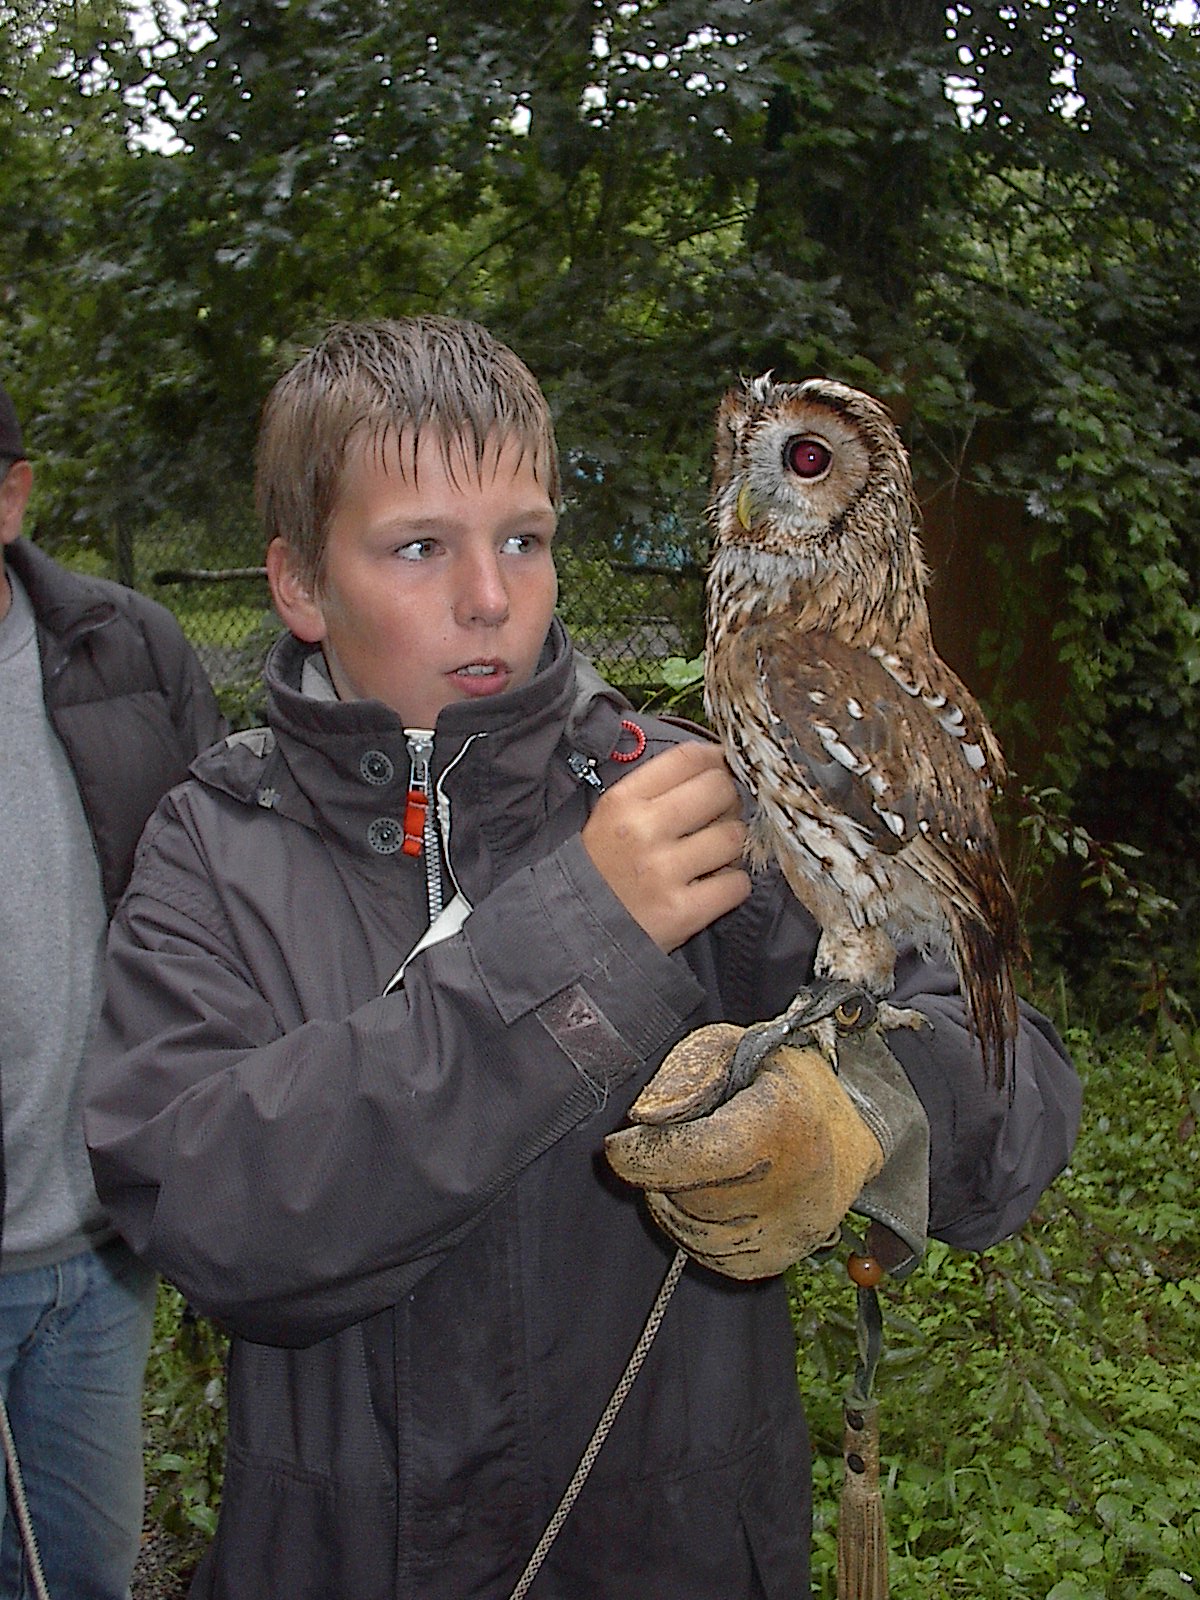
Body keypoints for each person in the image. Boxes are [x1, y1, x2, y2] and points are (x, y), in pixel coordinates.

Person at [84, 317, 1080, 1600]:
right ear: (300, 584)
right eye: (419, 547)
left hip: (665, 1551)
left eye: (524, 539)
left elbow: (1010, 1083)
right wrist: (578, 936)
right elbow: (214, 1214)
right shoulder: (216, 848)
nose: (489, 596)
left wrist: (863, 1111)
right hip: (343, 1558)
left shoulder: (688, 799)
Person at [0, 381, 225, 1597]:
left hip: (98, 1248)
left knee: (78, 1569)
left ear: (13, 497)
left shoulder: (128, 650)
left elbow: (225, 900)